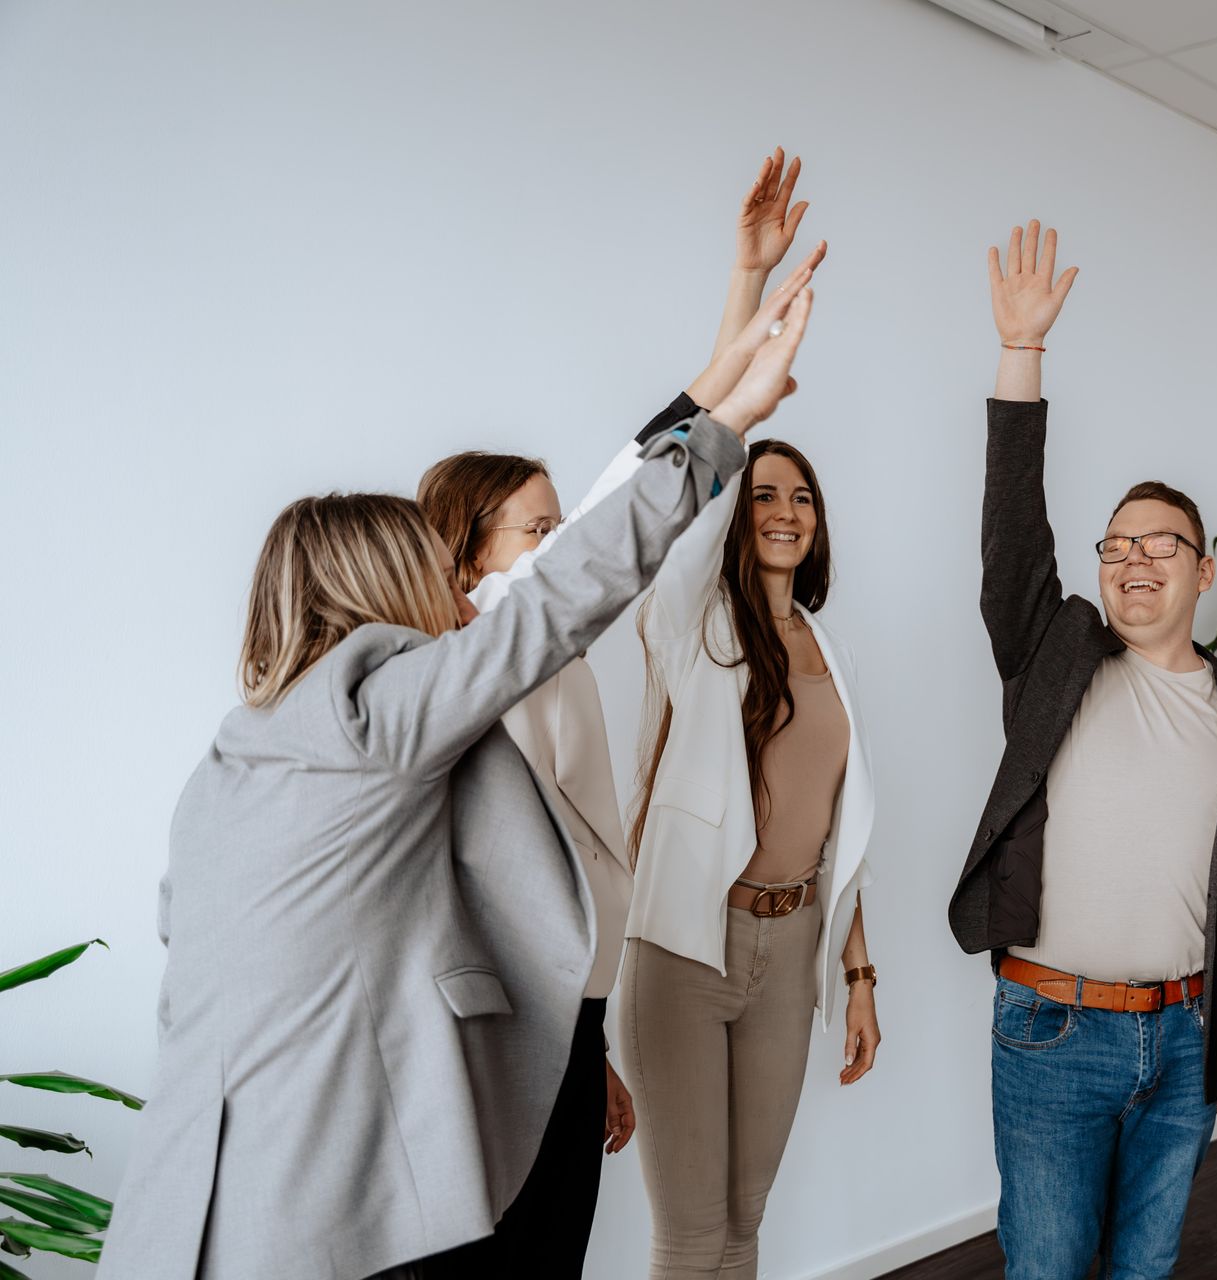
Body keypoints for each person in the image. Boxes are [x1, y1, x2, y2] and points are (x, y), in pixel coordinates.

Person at [96, 287, 813, 1280]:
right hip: (323, 1206)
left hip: (186, 1209)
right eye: (428, 569)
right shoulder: (378, 708)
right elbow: (558, 598)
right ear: (386, 586)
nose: (452, 589)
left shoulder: (228, 762)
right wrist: (722, 429)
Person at [407, 248, 815, 1274]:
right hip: (506, 1026)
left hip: (566, 1017)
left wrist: (590, 1054)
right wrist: (730, 368)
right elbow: (617, 507)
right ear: (469, 564)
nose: (566, 545)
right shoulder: (479, 651)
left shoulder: (544, 657)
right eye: (537, 532)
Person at [948, 220, 1217, 1280]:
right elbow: (1012, 535)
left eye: (1162, 546)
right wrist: (1022, 355)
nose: (1135, 561)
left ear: (1204, 575)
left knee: (1146, 1268)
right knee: (1046, 1265)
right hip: (1053, 1025)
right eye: (1116, 545)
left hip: (1183, 1036)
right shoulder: (1057, 656)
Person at [617, 150, 878, 1280]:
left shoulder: (831, 646)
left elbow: (839, 826)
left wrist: (859, 973)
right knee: (686, 1235)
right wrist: (746, 290)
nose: (779, 509)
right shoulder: (692, 626)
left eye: (799, 496)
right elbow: (688, 479)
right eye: (762, 493)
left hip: (796, 941)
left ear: (819, 524)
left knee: (743, 1221)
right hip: (686, 942)